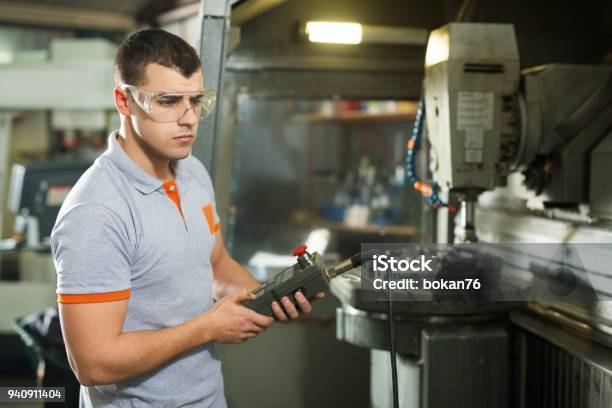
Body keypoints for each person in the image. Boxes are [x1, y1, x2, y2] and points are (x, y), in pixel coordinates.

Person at [50, 28, 322, 407]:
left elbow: (216, 266)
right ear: (124, 102)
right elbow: (93, 364)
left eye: (196, 101)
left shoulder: (192, 172)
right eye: (168, 101)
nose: (189, 118)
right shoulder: (95, 212)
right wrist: (208, 327)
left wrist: (269, 302)